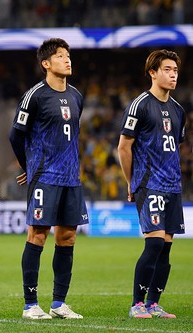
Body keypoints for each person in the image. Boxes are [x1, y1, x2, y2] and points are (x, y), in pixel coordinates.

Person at [9, 38, 88, 320]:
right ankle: (31, 304)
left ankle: (58, 303)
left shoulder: (77, 95)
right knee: (38, 235)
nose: (67, 60)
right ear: (46, 63)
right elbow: (15, 135)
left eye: (68, 55)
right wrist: (28, 166)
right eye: (61, 56)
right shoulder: (35, 96)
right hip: (45, 177)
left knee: (67, 237)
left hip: (71, 178)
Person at [118, 49, 185, 319]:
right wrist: (131, 182)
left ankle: (154, 304)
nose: (173, 75)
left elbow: (173, 147)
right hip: (149, 183)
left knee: (166, 247)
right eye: (167, 70)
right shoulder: (140, 105)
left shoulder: (179, 110)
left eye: (176, 71)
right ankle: (137, 303)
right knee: (154, 244)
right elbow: (124, 147)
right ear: (153, 73)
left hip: (173, 186)